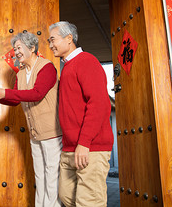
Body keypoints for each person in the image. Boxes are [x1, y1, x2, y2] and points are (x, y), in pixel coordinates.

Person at [0, 32, 62, 207]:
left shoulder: (47, 67)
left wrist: (4, 92)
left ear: (32, 48)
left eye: (19, 48)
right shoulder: (21, 73)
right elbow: (15, 99)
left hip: (52, 132)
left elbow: (37, 93)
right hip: (35, 132)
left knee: (52, 177)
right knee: (40, 176)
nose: (16, 52)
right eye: (15, 49)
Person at [48, 21, 114, 207]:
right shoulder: (68, 66)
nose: (50, 44)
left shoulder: (86, 61)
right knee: (67, 197)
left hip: (90, 147)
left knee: (89, 202)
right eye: (49, 40)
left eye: (53, 39)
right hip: (70, 148)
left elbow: (99, 104)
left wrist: (84, 142)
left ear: (69, 39)